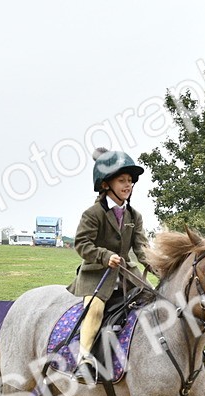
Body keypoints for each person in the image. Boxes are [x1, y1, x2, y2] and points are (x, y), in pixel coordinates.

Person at [67, 148, 151, 382]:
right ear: (106, 184)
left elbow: (141, 248)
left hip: (126, 275)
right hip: (97, 275)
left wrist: (159, 266)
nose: (128, 185)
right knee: (95, 308)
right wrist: (105, 256)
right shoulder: (92, 214)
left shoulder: (134, 216)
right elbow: (82, 244)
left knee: (157, 301)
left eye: (131, 181)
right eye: (122, 181)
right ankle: (83, 359)